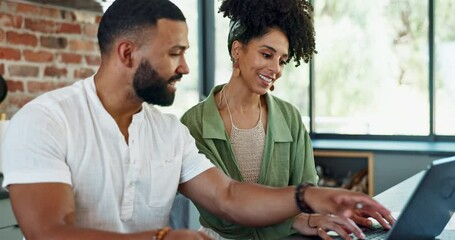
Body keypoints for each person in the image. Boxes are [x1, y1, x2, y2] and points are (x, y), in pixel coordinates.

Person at [1, 0, 394, 239]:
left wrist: (306, 195)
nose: (186, 67)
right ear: (126, 54)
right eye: (174, 53)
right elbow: (49, 233)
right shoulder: (45, 121)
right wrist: (161, 237)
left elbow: (227, 196)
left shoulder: (169, 132)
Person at [180, 0, 394, 239]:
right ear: (237, 50)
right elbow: (226, 215)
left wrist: (315, 217)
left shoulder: (289, 118)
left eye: (282, 61)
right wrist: (297, 218)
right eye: (266, 54)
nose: (276, 69)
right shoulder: (194, 123)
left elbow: (305, 194)